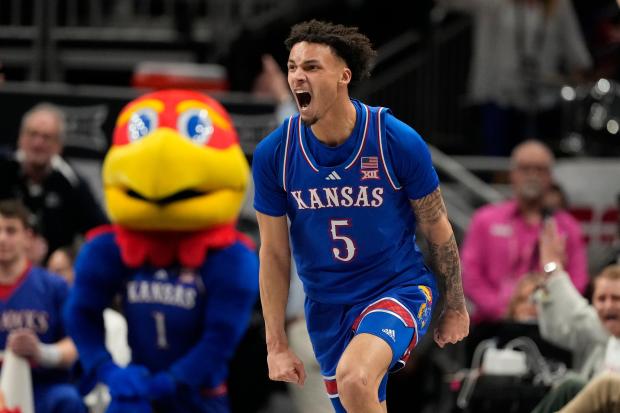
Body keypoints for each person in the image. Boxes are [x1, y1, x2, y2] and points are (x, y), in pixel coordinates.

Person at [252, 20, 469, 413]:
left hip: (396, 289)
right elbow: (273, 253)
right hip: (326, 307)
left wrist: (454, 303)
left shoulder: (395, 140)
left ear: (343, 76)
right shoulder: (275, 154)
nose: (299, 76)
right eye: (293, 67)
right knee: (357, 399)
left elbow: (437, 227)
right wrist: (276, 344)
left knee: (355, 376)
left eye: (313, 67)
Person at [437, 0, 592, 155]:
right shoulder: (495, 3)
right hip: (498, 98)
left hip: (542, 103)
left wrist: (582, 75)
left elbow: (577, 53)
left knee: (535, 159)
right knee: (496, 160)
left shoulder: (559, 5)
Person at [461, 139, 588, 324]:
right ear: (512, 174)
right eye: (525, 168)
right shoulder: (485, 220)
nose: (532, 175)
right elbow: (469, 275)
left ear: (551, 177)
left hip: (550, 326)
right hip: (492, 325)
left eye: (540, 169)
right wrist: (505, 311)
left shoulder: (568, 227)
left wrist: (548, 312)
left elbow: (579, 279)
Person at [0, 199, 85, 413]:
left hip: (44, 388)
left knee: (68, 400)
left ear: (28, 237)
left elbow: (77, 342)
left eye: (11, 231)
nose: (2, 239)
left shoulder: (54, 287)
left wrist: (42, 352)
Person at [529, 217, 620, 413]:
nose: (608, 306)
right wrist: (549, 275)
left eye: (616, 298)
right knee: (572, 384)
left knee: (598, 385)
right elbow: (556, 329)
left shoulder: (596, 330)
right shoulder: (599, 340)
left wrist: (555, 271)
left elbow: (581, 317)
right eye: (602, 299)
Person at [0, 103, 108, 257]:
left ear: (59, 146)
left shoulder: (71, 183)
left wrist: (68, 257)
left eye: (47, 137)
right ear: (21, 138)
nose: (38, 143)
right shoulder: (4, 169)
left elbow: (101, 232)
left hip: (52, 272)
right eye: (33, 134)